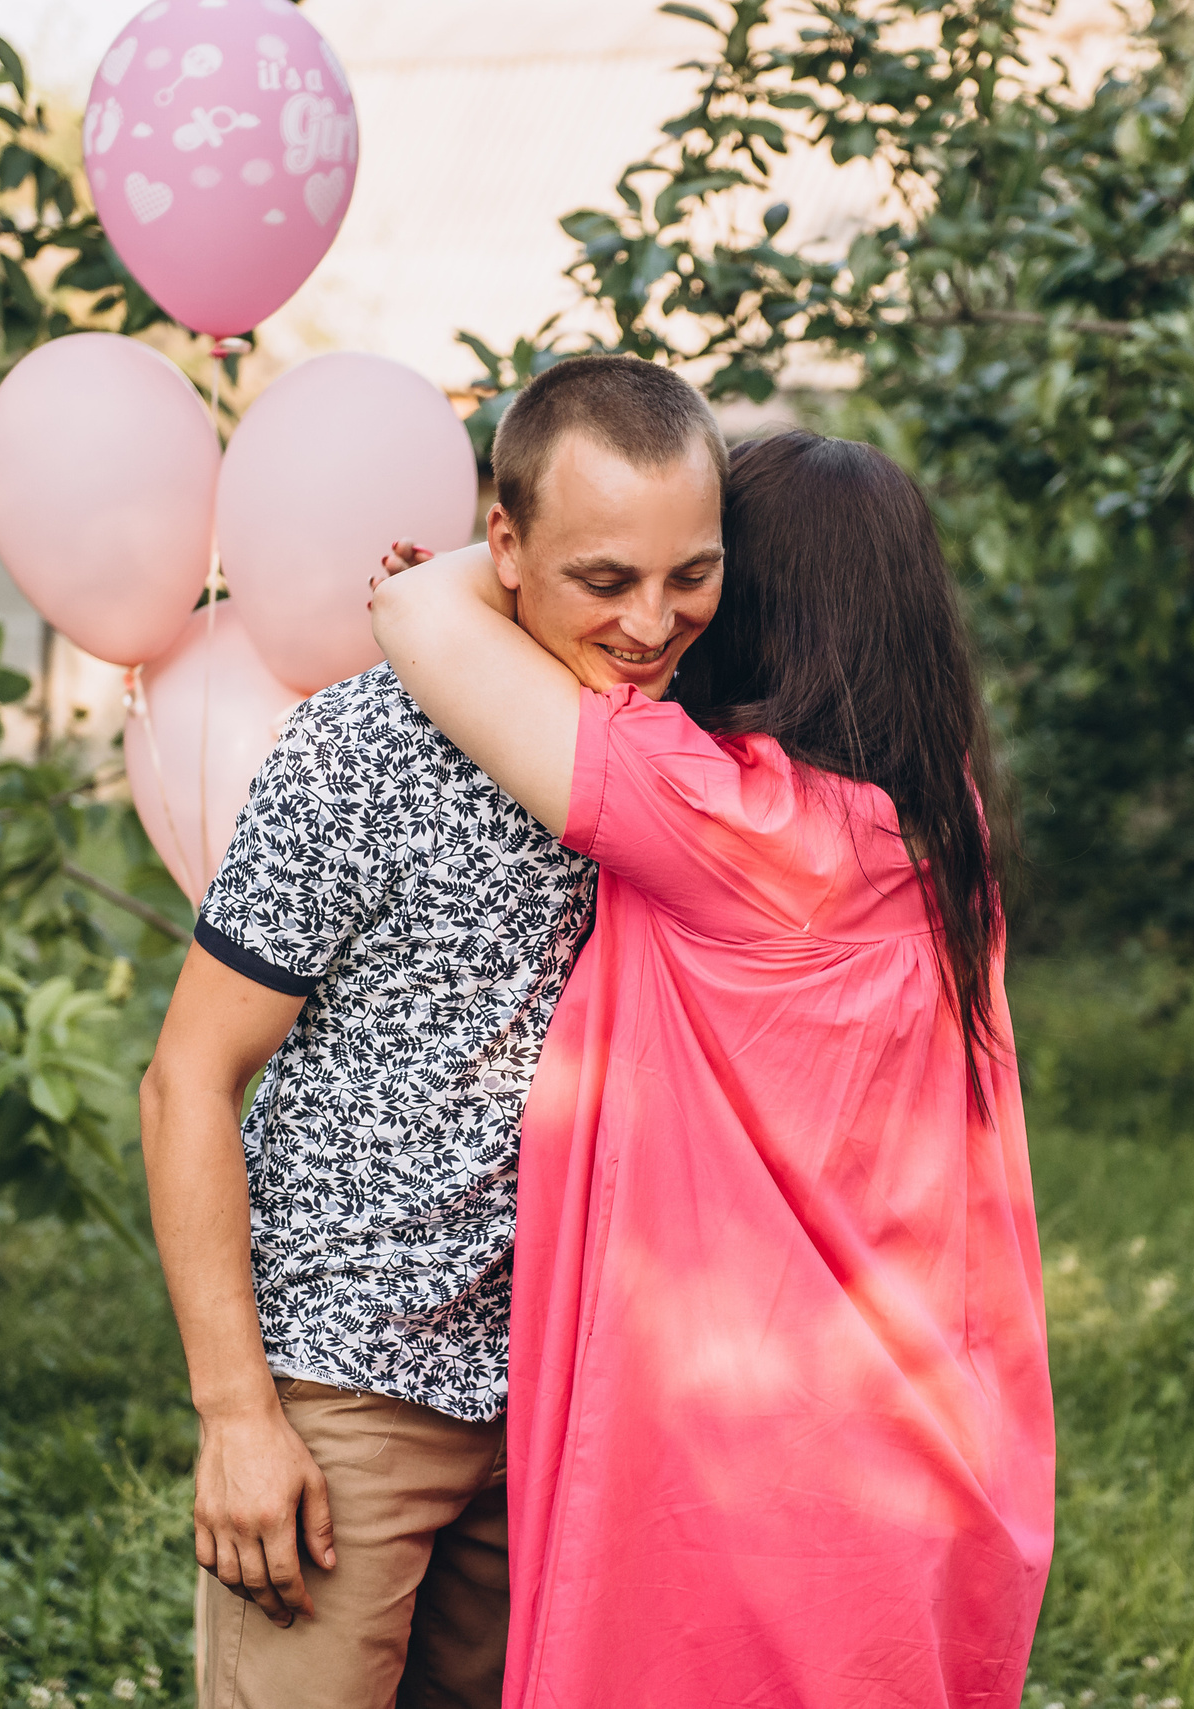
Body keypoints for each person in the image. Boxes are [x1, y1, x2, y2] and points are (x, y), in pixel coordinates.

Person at [369, 430, 1058, 1707]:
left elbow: (412, 609)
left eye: (704, 572)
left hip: (760, 1487)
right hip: (929, 1452)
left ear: (754, 609)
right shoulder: (941, 817)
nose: (673, 608)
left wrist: (507, 567)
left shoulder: (723, 816)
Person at [135, 353, 729, 1709]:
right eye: (605, 580)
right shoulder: (358, 753)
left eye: (688, 574)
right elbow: (187, 1082)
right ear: (503, 546)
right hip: (350, 1390)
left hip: (562, 1403)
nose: (652, 621)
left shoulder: (684, 757)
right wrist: (237, 1414)